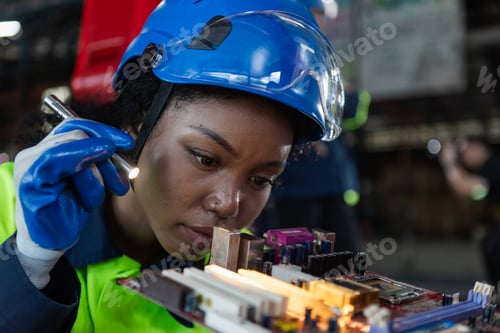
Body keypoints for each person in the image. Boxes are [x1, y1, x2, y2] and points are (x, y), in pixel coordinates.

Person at [0, 0, 345, 332]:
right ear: (136, 122)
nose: (228, 204)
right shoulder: (7, 201)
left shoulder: (249, 283)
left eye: (260, 178)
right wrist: (28, 266)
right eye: (206, 158)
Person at [438, 137, 500, 285]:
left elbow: (467, 188)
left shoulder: (494, 167)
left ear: (478, 146)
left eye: (465, 152)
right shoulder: (487, 168)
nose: (464, 159)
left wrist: (449, 163)